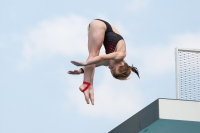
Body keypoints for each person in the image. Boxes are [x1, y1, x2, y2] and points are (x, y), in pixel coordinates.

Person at [68, 19, 139, 105]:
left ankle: (89, 86)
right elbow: (100, 57)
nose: (109, 67)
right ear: (121, 64)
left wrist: (81, 70)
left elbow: (95, 63)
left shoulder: (111, 61)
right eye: (112, 68)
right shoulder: (121, 54)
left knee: (92, 59)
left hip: (97, 27)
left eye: (110, 69)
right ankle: (86, 84)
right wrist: (85, 63)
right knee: (94, 55)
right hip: (101, 25)